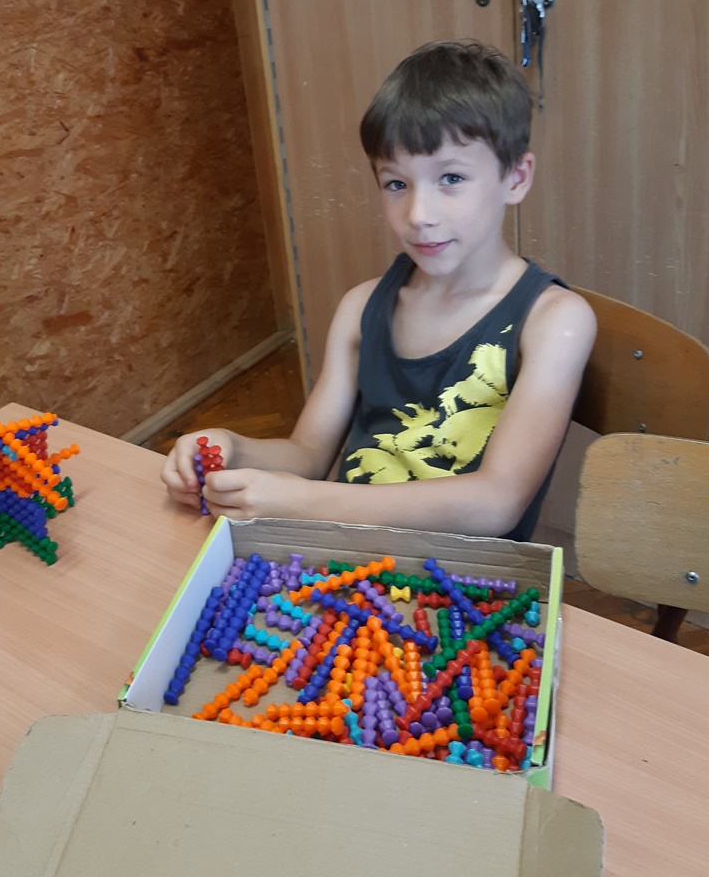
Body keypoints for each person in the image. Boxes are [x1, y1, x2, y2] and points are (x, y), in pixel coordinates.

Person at [161, 40, 596, 539]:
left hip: (465, 582)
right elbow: (306, 454)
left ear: (516, 177)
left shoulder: (555, 321)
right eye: (396, 184)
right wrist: (232, 446)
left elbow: (495, 504)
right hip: (348, 563)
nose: (419, 215)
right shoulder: (361, 307)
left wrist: (301, 500)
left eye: (451, 178)